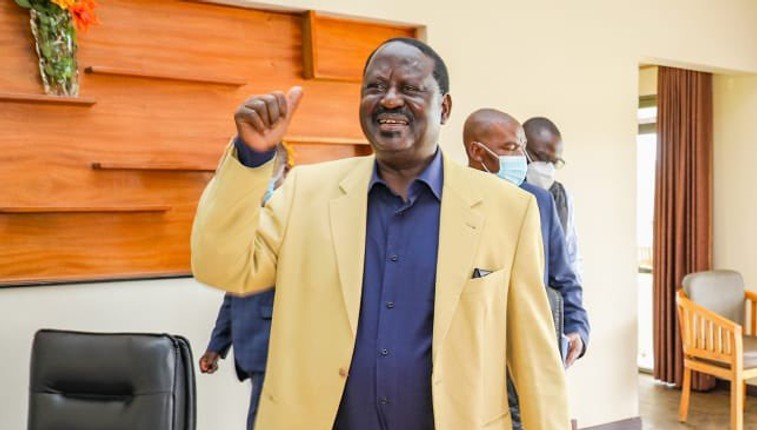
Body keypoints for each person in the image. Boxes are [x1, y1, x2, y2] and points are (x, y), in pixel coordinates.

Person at [191, 38, 569, 430]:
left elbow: (537, 362)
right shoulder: (305, 192)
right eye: (375, 87)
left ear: (444, 107)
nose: (389, 100)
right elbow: (221, 266)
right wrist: (251, 158)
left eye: (409, 88)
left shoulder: (508, 209)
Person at [463, 108, 590, 429]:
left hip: (530, 353)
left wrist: (577, 327)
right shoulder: (450, 201)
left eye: (522, 146)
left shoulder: (540, 201)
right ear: (477, 152)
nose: (522, 157)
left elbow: (564, 274)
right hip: (473, 360)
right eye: (511, 148)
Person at [198, 143, 293, 430]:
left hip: (277, 346)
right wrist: (217, 345)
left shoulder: (293, 220)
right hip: (250, 343)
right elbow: (235, 286)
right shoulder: (243, 218)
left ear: (284, 173)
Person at [523, 116, 583, 278]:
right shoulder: (505, 191)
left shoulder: (562, 197)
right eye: (542, 158)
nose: (547, 167)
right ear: (521, 149)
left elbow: (571, 255)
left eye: (554, 162)